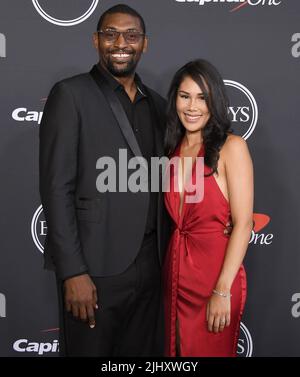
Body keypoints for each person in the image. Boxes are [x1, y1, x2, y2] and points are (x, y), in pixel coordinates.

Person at [39, 4, 168, 357]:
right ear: (96, 40)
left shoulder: (158, 105)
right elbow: (56, 188)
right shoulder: (71, 95)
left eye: (131, 35)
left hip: (151, 266)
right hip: (94, 269)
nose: (120, 43)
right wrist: (73, 273)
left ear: (145, 44)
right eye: (110, 34)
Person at [163, 59, 254, 357]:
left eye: (202, 98)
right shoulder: (171, 150)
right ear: (174, 98)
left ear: (215, 101)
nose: (192, 106)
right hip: (175, 277)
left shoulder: (232, 147)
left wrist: (222, 290)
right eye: (185, 96)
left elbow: (243, 224)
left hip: (215, 280)